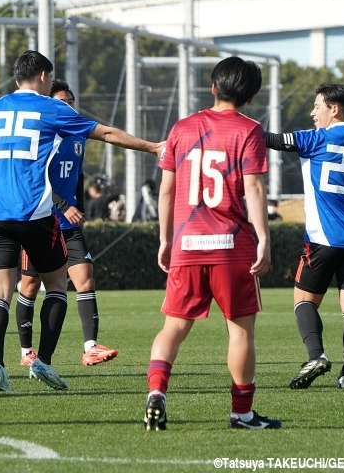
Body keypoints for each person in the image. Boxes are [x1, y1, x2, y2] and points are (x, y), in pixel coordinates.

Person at [0, 50, 164, 393]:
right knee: (59, 285)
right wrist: (152, 147)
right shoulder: (54, 108)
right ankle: (42, 362)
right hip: (35, 214)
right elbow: (106, 134)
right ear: (45, 77)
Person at [144, 56, 281, 431]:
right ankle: (242, 414)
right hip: (231, 247)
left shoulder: (183, 128)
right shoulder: (250, 130)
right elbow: (252, 186)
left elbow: (167, 189)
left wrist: (165, 238)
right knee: (239, 332)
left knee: (173, 327)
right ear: (251, 96)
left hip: (188, 244)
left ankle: (157, 392)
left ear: (213, 87)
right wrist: (264, 239)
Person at [265, 83, 344, 390]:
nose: (313, 112)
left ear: (335, 109)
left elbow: (272, 140)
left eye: (317, 106)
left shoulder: (315, 139)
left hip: (322, 239)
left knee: (303, 300)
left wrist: (233, 122)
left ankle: (316, 355)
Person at [16, 79, 118, 368]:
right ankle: (26, 352)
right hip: (41, 221)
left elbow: (78, 175)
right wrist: (63, 205)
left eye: (71, 102)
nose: (68, 107)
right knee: (30, 286)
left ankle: (90, 347)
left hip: (70, 226)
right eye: (62, 102)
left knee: (85, 279)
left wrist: (80, 208)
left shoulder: (77, 136)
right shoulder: (44, 137)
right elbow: (36, 179)